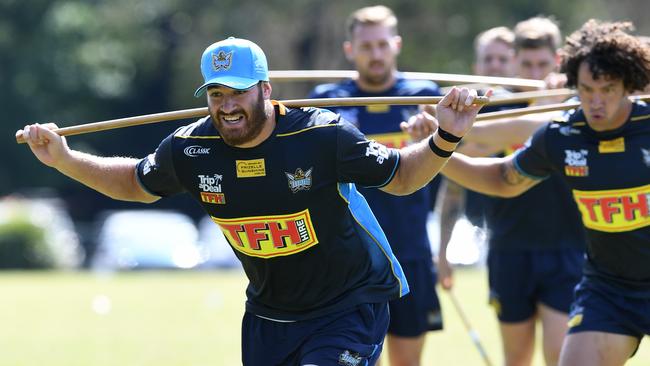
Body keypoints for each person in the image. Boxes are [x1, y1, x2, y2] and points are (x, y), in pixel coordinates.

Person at [19, 37, 486, 366]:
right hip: (269, 316)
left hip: (348, 305)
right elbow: (134, 182)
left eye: (238, 91)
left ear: (265, 89)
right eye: (216, 94)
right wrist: (64, 159)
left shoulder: (320, 135)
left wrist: (446, 136)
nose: (227, 106)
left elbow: (403, 177)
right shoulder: (191, 148)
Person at [439, 19, 650, 366]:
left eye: (607, 89)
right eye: (586, 89)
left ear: (627, 85)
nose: (595, 102)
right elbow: (502, 179)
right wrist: (436, 148)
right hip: (610, 292)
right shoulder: (562, 134)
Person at [436, 18, 587, 366]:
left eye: (542, 64)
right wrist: (443, 251)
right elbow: (466, 153)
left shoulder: (574, 106)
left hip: (566, 248)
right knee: (515, 359)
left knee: (560, 354)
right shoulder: (495, 108)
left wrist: (555, 101)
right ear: (513, 61)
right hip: (509, 248)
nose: (534, 72)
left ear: (558, 62)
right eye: (526, 64)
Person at [308, 6, 443, 365]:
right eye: (366, 46)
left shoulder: (424, 94)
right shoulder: (328, 100)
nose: (376, 54)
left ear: (396, 45)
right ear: (350, 49)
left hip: (409, 250)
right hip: (349, 257)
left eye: (383, 44)